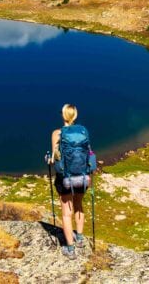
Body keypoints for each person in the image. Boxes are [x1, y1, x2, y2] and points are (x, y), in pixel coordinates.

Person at [50, 103, 96, 258]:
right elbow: (88, 152)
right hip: (83, 177)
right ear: (75, 116)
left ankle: (70, 248)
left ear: (63, 115)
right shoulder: (83, 131)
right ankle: (81, 238)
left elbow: (54, 158)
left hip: (66, 180)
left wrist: (48, 159)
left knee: (66, 213)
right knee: (78, 205)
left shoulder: (57, 134)